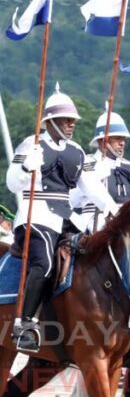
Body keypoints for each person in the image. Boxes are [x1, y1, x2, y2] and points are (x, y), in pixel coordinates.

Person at [4, 84, 86, 352]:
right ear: (50, 121)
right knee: (46, 263)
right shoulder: (32, 143)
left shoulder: (77, 150)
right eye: (66, 120)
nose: (71, 124)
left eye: (73, 120)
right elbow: (12, 183)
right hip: (34, 215)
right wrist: (28, 166)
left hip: (67, 216)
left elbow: (89, 188)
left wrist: (117, 209)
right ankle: (24, 324)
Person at [70, 107, 130, 233]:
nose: (122, 143)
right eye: (117, 138)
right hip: (96, 224)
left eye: (123, 139)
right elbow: (73, 200)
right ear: (103, 141)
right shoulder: (86, 164)